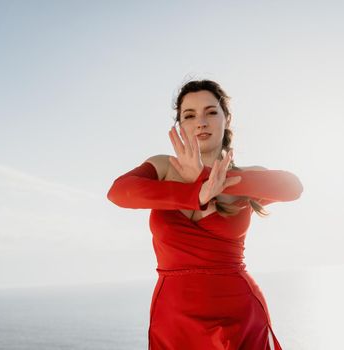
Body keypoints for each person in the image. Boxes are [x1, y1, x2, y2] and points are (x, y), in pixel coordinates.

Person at [107, 79, 303, 349]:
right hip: (174, 320)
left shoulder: (243, 177)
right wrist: (196, 194)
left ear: (226, 119)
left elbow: (293, 187)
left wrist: (207, 177)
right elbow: (118, 192)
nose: (201, 122)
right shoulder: (163, 167)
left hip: (238, 313)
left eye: (211, 112)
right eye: (190, 115)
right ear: (180, 125)